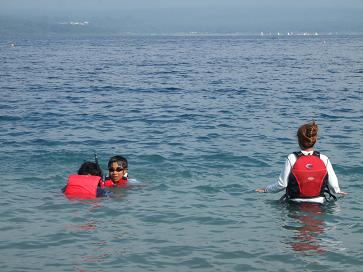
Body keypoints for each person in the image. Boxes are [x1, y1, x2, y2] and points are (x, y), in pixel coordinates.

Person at [256, 121, 347, 203]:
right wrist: (338, 191)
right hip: (319, 203)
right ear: (315, 140)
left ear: (298, 140)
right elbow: (333, 185)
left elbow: (282, 185)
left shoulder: (292, 158)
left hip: (295, 203)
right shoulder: (324, 158)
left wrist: (265, 190)